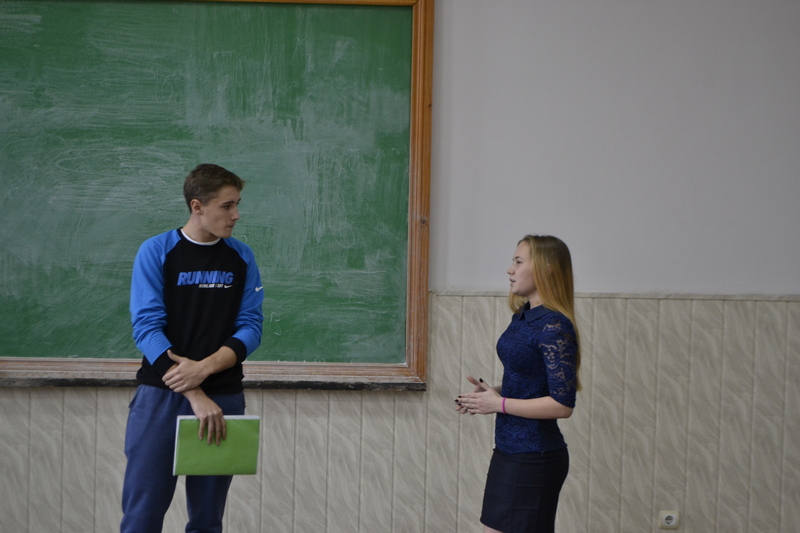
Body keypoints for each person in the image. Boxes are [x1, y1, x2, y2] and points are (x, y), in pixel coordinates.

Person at [121, 163, 264, 533]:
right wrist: (195, 391)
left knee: (207, 521)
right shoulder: (156, 251)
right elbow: (147, 328)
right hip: (162, 396)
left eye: (237, 205)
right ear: (197, 206)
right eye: (226, 206)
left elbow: (251, 327)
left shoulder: (242, 257)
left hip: (223, 398)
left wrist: (206, 368)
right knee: (142, 516)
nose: (236, 215)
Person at [456, 235, 580, 533]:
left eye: (518, 262)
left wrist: (498, 404)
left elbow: (562, 404)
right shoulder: (523, 317)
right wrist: (490, 394)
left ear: (546, 269)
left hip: (535, 456)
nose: (510, 269)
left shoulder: (554, 325)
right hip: (509, 450)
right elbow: (529, 380)